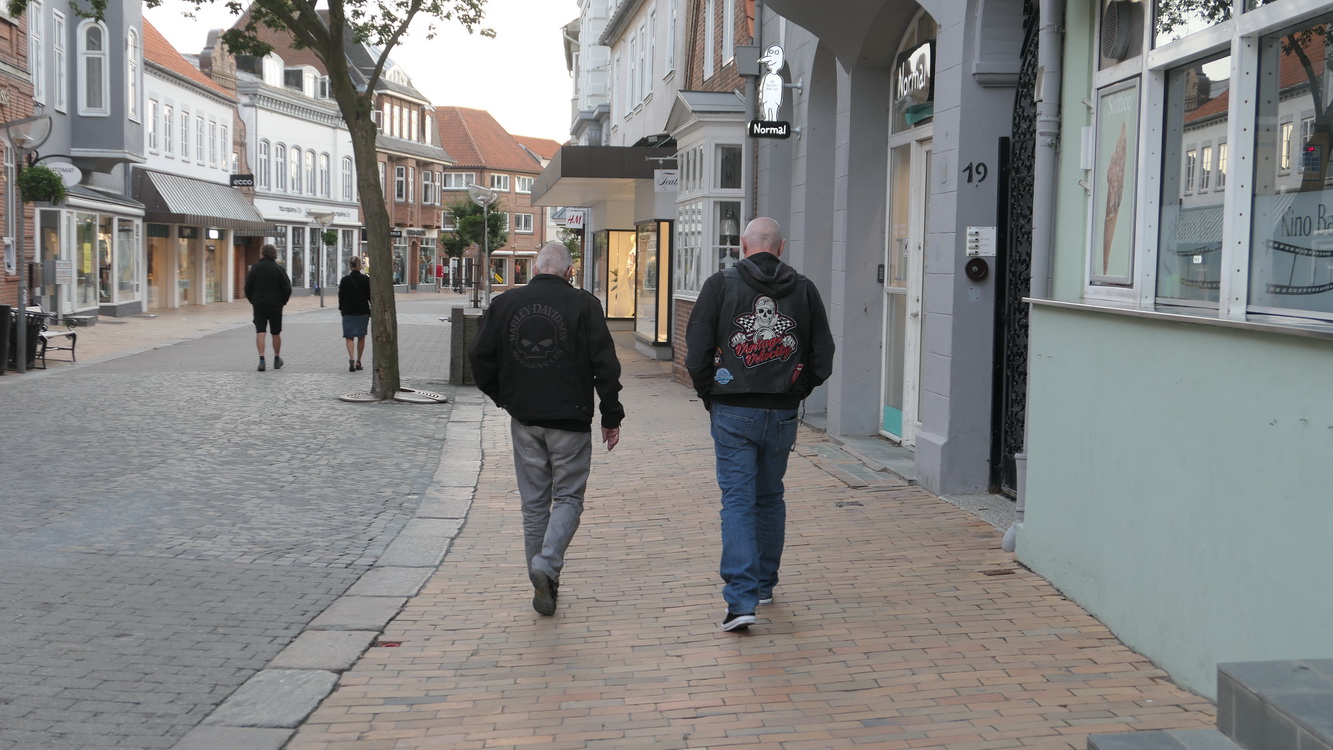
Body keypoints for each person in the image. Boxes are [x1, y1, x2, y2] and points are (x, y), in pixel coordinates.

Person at [685, 217, 835, 632]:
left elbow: (696, 350)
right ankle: (765, 584)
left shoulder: (720, 285)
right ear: (781, 247)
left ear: (742, 246)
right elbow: (823, 353)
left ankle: (741, 602)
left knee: (738, 500)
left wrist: (710, 394)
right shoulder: (803, 289)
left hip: (733, 407)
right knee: (769, 497)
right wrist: (796, 390)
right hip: (781, 410)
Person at [468, 242, 625, 617]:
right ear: (569, 272)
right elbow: (605, 363)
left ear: (535, 269)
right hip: (570, 417)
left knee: (534, 504)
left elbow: (478, 355)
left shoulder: (505, 304)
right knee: (568, 497)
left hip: (525, 418)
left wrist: (504, 396)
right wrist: (611, 414)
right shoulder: (585, 305)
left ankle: (543, 584)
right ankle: (547, 565)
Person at [244, 243, 292, 372]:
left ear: (262, 253)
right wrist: (283, 301)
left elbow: (247, 287)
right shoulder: (279, 269)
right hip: (275, 305)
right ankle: (277, 359)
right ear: (274, 254)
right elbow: (287, 288)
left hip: (259, 305)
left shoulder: (255, 268)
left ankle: (261, 360)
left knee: (260, 331)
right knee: (276, 332)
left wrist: (253, 300)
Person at [338, 255, 372, 372]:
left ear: (349, 266)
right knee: (361, 337)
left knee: (349, 337)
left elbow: (341, 297)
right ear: (359, 265)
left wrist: (342, 309)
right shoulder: (366, 280)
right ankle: (358, 361)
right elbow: (370, 296)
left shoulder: (344, 280)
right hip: (362, 312)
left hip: (348, 311)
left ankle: (351, 357)